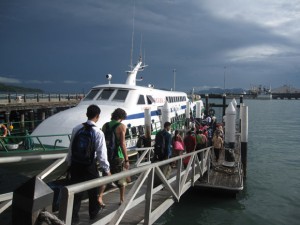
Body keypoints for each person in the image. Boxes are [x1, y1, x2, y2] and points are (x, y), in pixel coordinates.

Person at [66, 104, 111, 223]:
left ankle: (73, 218)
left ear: (86, 115)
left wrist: (69, 163)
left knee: (76, 192)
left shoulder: (76, 128)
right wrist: (106, 169)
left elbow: (71, 148)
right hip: (89, 165)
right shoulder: (98, 132)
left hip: (76, 165)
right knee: (93, 191)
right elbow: (101, 154)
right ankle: (93, 214)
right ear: (98, 116)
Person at [102, 108, 129, 205]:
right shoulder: (121, 126)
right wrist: (126, 159)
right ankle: (122, 199)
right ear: (121, 117)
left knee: (105, 176)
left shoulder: (105, 126)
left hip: (107, 155)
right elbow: (122, 144)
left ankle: (100, 197)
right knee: (122, 179)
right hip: (118, 156)